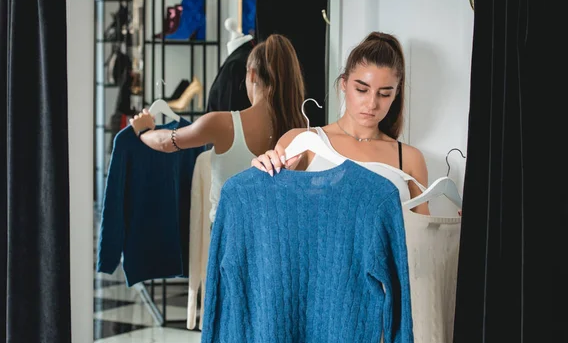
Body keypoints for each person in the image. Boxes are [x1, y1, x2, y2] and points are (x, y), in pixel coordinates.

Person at [129, 33, 307, 221]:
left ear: (252, 74)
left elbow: (166, 141)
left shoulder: (223, 124)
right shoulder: (301, 131)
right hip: (275, 237)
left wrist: (143, 130)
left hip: (230, 234)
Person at [251, 31, 431, 215]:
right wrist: (261, 178)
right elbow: (269, 214)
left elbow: (425, 239)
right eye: (362, 89)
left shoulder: (409, 159)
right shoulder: (302, 141)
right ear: (344, 83)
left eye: (384, 94)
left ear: (396, 93)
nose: (372, 104)